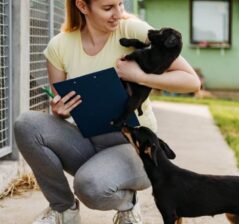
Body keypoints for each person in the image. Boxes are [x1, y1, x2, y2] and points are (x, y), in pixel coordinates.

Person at [13, 0, 200, 224]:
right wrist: (59, 111)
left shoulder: (133, 30)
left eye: (120, 4)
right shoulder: (59, 46)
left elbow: (191, 82)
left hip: (133, 145)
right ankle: (63, 209)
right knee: (26, 124)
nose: (118, 13)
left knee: (89, 186)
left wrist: (139, 76)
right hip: (88, 137)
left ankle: (127, 203)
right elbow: (59, 100)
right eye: (108, 7)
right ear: (83, 6)